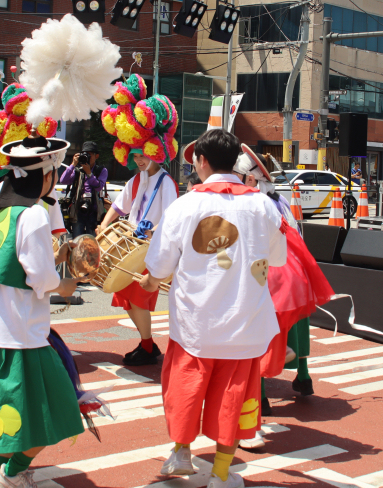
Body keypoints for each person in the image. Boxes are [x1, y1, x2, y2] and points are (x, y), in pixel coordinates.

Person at [140, 129, 287, 488]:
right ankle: (221, 475)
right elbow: (279, 256)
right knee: (233, 399)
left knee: (184, 388)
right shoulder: (261, 204)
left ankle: (180, 452)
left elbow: (157, 268)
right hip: (245, 326)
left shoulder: (186, 204)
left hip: (196, 325)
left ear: (201, 161)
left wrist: (148, 282)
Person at [0, 136, 89, 488]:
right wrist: (65, 285)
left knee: (10, 416)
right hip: (22, 334)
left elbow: (13, 264)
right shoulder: (35, 214)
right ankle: (10, 473)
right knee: (56, 409)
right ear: (45, 175)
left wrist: (53, 264)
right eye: (55, 172)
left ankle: (0, 475)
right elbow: (40, 279)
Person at [232, 147, 335, 451]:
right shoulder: (276, 200)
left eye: (239, 176)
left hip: (268, 270)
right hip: (292, 267)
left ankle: (261, 395)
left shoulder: (252, 202)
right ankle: (302, 376)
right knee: (295, 320)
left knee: (259, 329)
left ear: (249, 177)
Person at [99, 73, 180, 366]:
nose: (138, 160)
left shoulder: (167, 183)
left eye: (142, 156)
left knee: (138, 299)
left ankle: (148, 347)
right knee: (125, 297)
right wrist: (104, 226)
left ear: (155, 152)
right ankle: (147, 345)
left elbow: (171, 219)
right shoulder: (136, 180)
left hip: (148, 251)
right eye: (134, 157)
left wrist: (152, 233)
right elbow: (118, 208)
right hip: (129, 245)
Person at [59, 141, 107, 237]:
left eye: (89, 154)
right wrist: (73, 164)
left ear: (96, 156)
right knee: (77, 241)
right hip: (78, 211)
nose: (87, 157)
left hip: (94, 212)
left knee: (92, 241)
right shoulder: (78, 170)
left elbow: (99, 187)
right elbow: (63, 180)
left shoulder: (101, 170)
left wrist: (89, 173)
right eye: (84, 154)